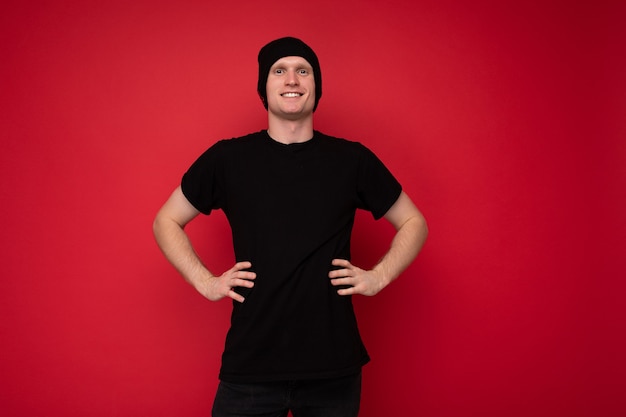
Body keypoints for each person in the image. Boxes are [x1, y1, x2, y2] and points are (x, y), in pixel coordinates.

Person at [153, 36, 428, 417]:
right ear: (264, 88)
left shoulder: (352, 160)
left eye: (303, 71)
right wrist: (205, 281)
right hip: (250, 368)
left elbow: (414, 221)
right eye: (279, 71)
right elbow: (165, 220)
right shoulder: (228, 159)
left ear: (316, 86)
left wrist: (379, 276)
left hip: (333, 370)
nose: (292, 79)